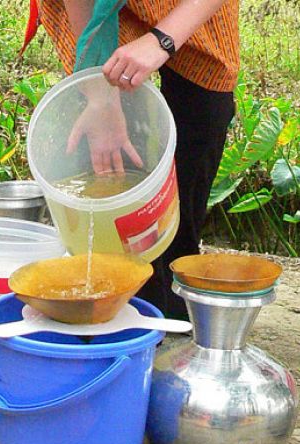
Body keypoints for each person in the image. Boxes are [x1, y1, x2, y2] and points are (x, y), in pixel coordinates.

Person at [23, 0, 238, 319]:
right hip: (98, 9)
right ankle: (133, 305)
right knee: (116, 121)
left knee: (205, 113)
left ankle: (177, 287)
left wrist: (162, 41)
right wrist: (100, 98)